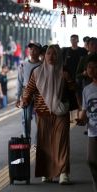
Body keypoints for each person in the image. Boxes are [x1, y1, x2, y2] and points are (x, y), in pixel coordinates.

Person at [22, 44, 75, 184]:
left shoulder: (64, 71)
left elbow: (74, 89)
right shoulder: (37, 71)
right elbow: (29, 89)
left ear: (59, 56)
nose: (51, 56)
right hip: (43, 113)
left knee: (62, 143)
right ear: (44, 56)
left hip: (61, 112)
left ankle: (63, 173)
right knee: (45, 144)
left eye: (55, 53)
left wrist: (68, 79)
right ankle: (47, 173)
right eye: (49, 53)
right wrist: (25, 100)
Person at [77, 53, 97, 192]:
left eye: (95, 67)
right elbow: (85, 111)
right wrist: (81, 120)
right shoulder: (87, 89)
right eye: (89, 67)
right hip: (93, 130)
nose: (92, 70)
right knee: (91, 160)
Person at [16, 42, 42, 138]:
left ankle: (39, 142)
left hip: (40, 95)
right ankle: (26, 139)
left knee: (40, 120)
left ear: (39, 51)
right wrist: (18, 98)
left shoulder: (43, 65)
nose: (32, 51)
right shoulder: (23, 65)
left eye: (35, 49)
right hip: (27, 95)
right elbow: (19, 81)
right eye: (31, 49)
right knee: (26, 118)